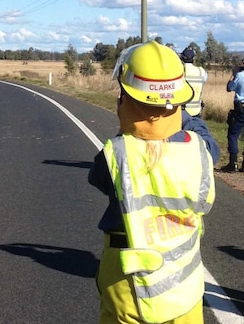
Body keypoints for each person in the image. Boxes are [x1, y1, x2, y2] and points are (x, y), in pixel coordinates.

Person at [88, 41, 219, 324]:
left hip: (128, 281)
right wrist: (178, 114)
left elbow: (99, 177)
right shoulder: (198, 148)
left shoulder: (117, 152)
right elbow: (211, 146)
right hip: (184, 281)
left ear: (126, 97)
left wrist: (133, 123)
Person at [180, 47, 208, 118]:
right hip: (196, 110)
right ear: (194, 59)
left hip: (182, 110)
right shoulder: (201, 71)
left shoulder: (180, 70)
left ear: (182, 58)